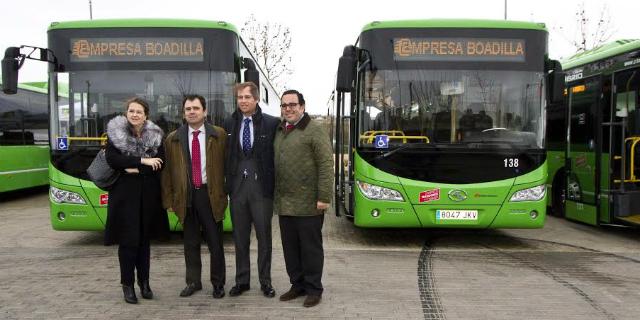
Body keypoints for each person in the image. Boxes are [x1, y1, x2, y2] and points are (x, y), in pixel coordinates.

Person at [104, 97, 169, 304]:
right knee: (128, 242)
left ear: (145, 115)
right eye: (131, 111)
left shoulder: (156, 135)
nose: (134, 114)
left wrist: (131, 166)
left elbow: (161, 163)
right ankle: (127, 285)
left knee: (144, 242)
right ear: (126, 113)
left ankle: (145, 283)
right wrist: (142, 160)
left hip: (148, 194)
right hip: (124, 195)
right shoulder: (116, 134)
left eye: (139, 111)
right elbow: (112, 159)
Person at [161, 95, 227, 299]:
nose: (192, 111)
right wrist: (169, 200)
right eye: (188, 109)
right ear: (183, 113)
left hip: (210, 195)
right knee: (190, 243)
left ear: (204, 111)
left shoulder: (219, 135)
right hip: (186, 196)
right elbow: (167, 172)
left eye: (196, 108)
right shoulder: (172, 139)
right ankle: (193, 282)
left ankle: (218, 283)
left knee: (215, 242)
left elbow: (228, 165)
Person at [273, 89, 333, 308]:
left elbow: (326, 164)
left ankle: (314, 289)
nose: (288, 108)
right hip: (285, 203)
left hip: (309, 203)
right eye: (284, 105)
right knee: (290, 248)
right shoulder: (280, 130)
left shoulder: (315, 130)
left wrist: (324, 197)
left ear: (302, 106)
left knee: (310, 249)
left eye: (292, 104)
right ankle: (297, 285)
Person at [223, 82, 279, 298]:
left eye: (247, 97)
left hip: (261, 191)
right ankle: (242, 281)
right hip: (237, 191)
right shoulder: (228, 123)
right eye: (239, 97)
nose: (243, 101)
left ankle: (266, 282)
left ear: (256, 99)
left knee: (264, 238)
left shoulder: (272, 123)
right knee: (240, 238)